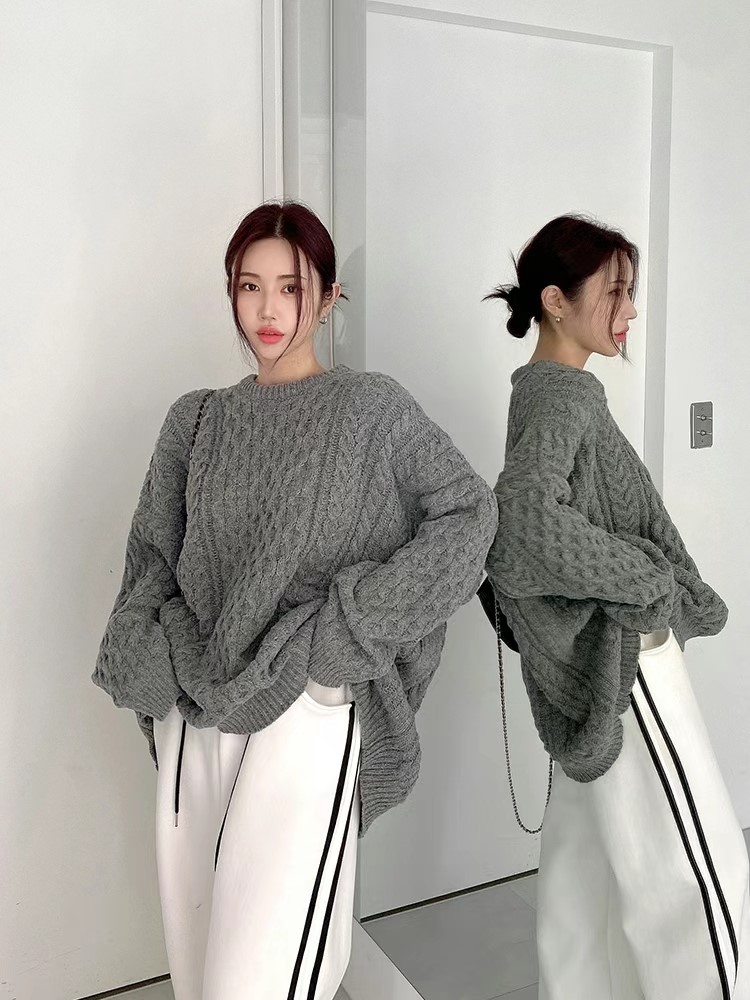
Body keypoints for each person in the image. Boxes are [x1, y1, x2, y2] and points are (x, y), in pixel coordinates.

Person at [93, 200, 498, 1000]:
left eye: (292, 286)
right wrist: (151, 663)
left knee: (255, 982)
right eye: (250, 286)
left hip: (303, 711)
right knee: (201, 975)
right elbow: (150, 560)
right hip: (193, 718)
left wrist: (346, 633)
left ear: (329, 295)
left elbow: (470, 514)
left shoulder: (370, 408)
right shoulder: (196, 420)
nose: (269, 309)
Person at [483, 215, 749, 999]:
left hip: (595, 667)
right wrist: (646, 581)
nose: (630, 310)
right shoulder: (561, 395)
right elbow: (524, 522)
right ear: (556, 301)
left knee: (585, 868)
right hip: (625, 662)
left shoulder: (542, 389)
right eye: (616, 292)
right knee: (700, 866)